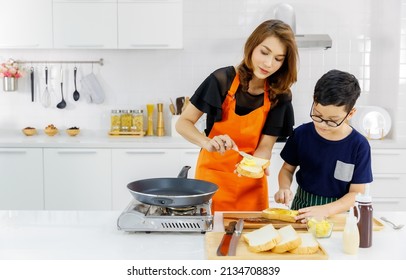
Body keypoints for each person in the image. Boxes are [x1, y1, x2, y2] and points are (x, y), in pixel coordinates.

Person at [176, 19, 298, 212]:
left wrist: (256, 164)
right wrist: (207, 142)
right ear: (251, 46)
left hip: (251, 184)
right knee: (211, 237)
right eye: (264, 52)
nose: (268, 63)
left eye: (278, 58)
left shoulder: (279, 95)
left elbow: (265, 146)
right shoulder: (221, 80)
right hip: (211, 182)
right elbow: (183, 123)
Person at [274, 69, 373, 222]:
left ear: (350, 113)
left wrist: (326, 210)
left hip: (338, 214)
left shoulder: (359, 145)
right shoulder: (301, 134)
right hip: (302, 208)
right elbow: (287, 169)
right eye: (318, 115)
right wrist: (284, 188)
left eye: (333, 120)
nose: (323, 125)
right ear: (314, 101)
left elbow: (356, 193)